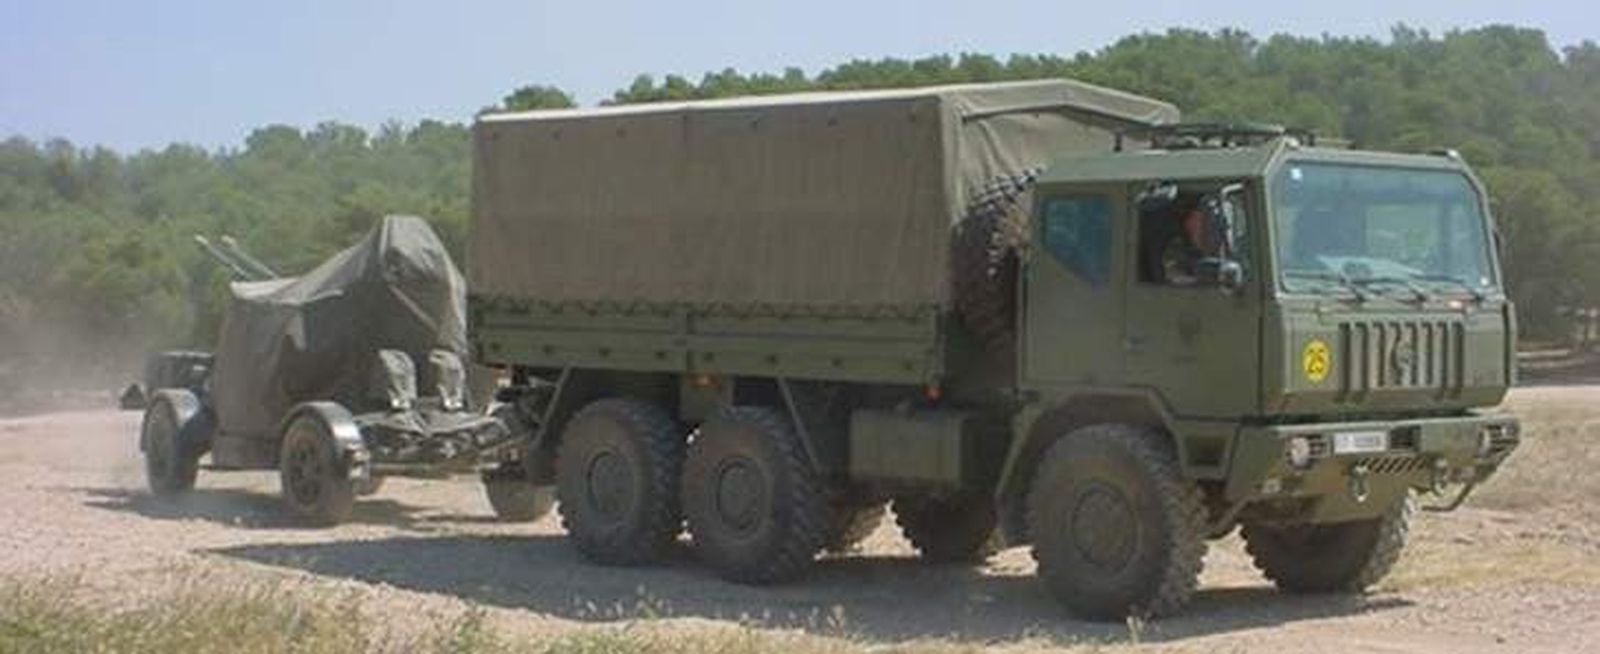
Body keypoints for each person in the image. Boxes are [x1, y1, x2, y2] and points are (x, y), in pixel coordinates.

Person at [1159, 207, 1208, 285]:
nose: (1199, 225)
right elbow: (1174, 276)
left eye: (1201, 221)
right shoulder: (1175, 245)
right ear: (1186, 222)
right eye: (1195, 220)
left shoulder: (1206, 245)